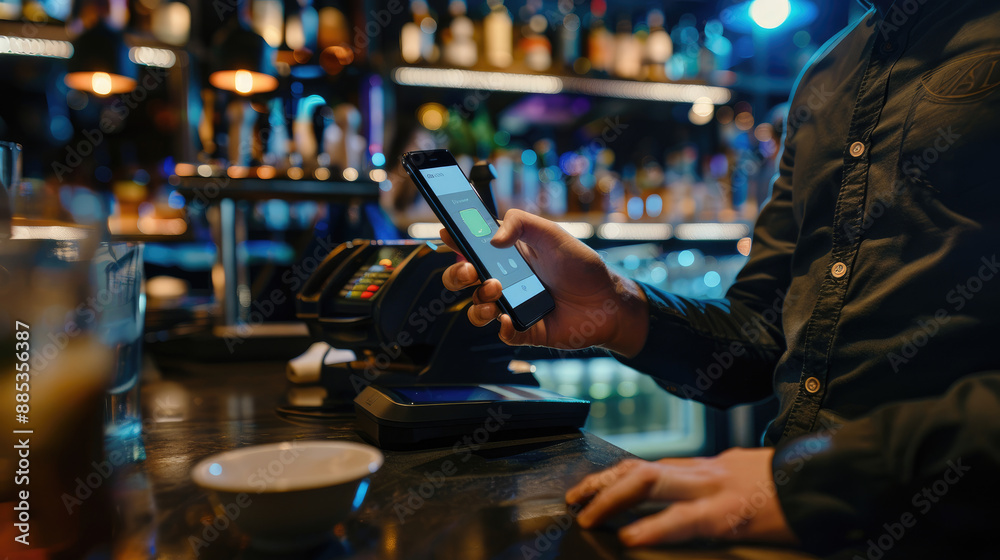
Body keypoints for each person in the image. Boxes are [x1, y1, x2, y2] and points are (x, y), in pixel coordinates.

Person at [439, 0, 1000, 556]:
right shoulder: (828, 74)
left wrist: (829, 479)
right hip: (788, 519)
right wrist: (615, 307)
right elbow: (761, 336)